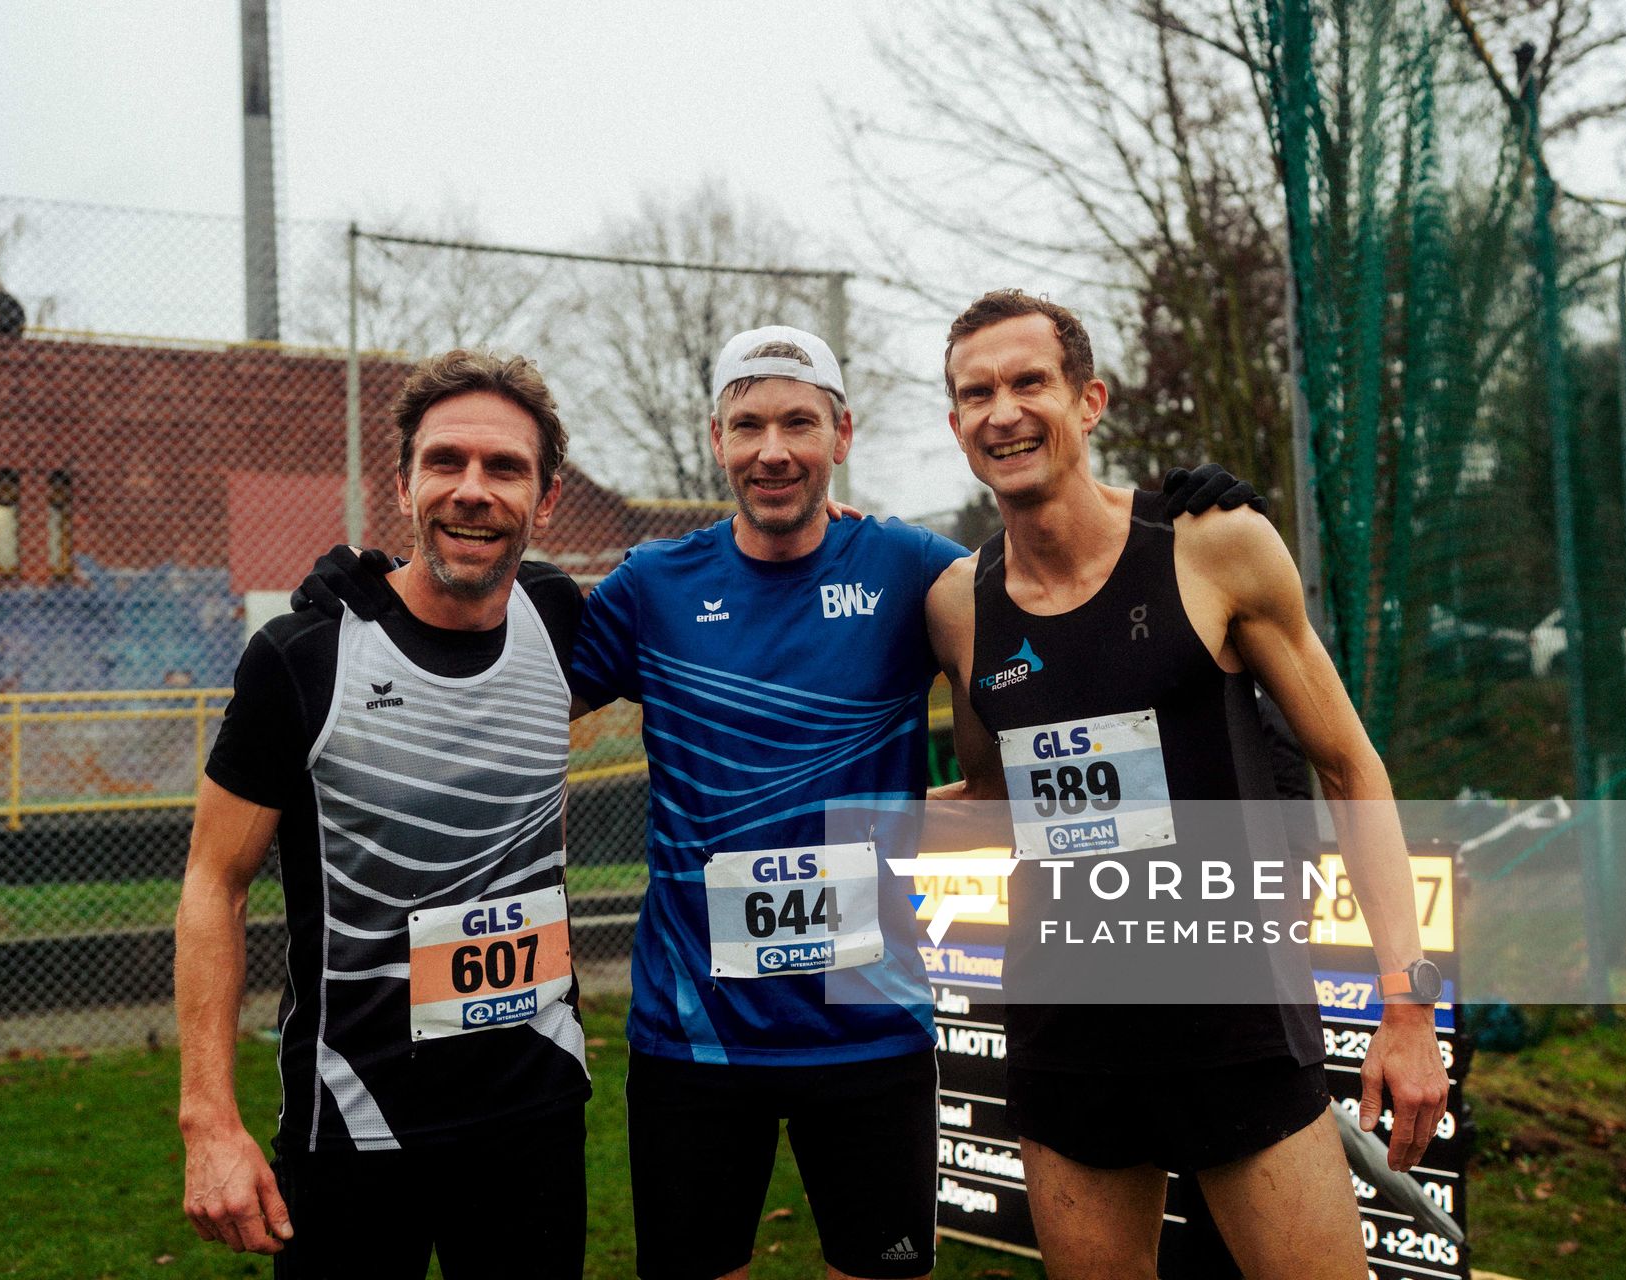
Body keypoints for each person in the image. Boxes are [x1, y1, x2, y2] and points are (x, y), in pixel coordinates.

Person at [295, 328, 1259, 1280]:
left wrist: (1167, 516)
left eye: (799, 422)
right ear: (717, 440)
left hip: (872, 1025)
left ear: (842, 437)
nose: (773, 449)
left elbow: (1056, 574)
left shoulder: (917, 571)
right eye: (748, 423)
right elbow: (494, 670)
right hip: (694, 1039)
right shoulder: (650, 588)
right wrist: (378, 598)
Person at [922, 289, 1449, 1280]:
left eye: (1029, 381)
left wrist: (1408, 1005)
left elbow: (1351, 764)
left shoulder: (1211, 546)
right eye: (977, 392)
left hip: (1234, 1021)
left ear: (1089, 400)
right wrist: (818, 825)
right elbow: (992, 808)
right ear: (956, 425)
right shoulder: (961, 605)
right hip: (1065, 1034)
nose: (1004, 411)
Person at [175, 349, 591, 1277]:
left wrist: (826, 523)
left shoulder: (562, 618)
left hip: (537, 1120)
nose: (472, 490)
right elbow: (214, 883)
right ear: (403, 485)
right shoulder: (304, 656)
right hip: (356, 1127)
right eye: (445, 462)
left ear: (547, 498)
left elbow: (735, 581)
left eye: (504, 468)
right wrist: (208, 1121)